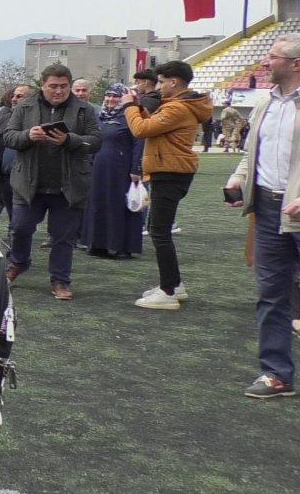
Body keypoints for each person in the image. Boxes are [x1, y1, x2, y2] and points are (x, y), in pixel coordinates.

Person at [226, 33, 300, 397]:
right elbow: (252, 150)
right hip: (271, 211)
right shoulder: (265, 103)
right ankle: (277, 374)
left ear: (295, 64)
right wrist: (239, 179)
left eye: (272, 57)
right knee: (271, 295)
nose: (264, 63)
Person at [3, 63, 101, 300]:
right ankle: (18, 262)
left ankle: (60, 280)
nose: (58, 91)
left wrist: (70, 140)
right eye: (53, 86)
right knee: (20, 228)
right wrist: (27, 135)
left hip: (68, 186)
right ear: (42, 85)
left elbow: (96, 141)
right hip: (28, 184)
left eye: (64, 86)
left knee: (63, 237)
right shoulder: (24, 107)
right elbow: (7, 136)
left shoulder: (84, 109)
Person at [123, 61, 212, 309]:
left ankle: (169, 291)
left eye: (162, 82)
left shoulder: (177, 109)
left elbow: (141, 129)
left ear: (174, 83)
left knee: (160, 232)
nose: (159, 87)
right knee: (157, 229)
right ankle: (173, 284)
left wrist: (131, 106)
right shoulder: (179, 106)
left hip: (170, 172)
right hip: (170, 170)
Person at [82, 83, 143, 259]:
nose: (110, 99)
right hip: (98, 169)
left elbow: (139, 143)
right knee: (97, 205)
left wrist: (136, 169)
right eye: (108, 96)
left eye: (115, 96)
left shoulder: (130, 116)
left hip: (120, 170)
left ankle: (118, 245)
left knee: (116, 206)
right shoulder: (100, 117)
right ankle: (96, 243)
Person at [0, 85, 33, 236]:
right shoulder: (5, 114)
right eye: (14, 96)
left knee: (20, 207)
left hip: (23, 173)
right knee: (1, 201)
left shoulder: (34, 118)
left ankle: (15, 235)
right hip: (4, 170)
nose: (14, 99)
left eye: (19, 96)